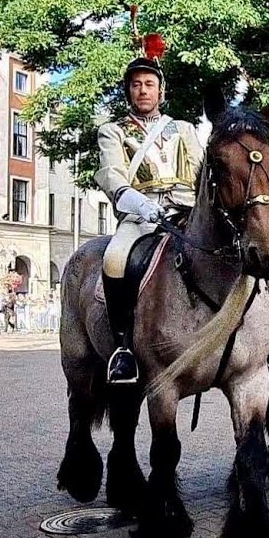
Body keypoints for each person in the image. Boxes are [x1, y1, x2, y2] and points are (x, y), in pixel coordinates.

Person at [94, 53, 201, 384]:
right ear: (129, 91)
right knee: (114, 259)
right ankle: (123, 346)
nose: (143, 90)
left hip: (187, 211)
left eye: (149, 84)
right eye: (136, 85)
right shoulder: (112, 131)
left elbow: (200, 170)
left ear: (161, 91)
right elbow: (112, 176)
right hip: (141, 215)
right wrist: (141, 205)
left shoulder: (183, 128)